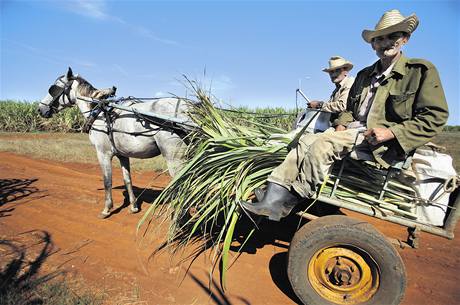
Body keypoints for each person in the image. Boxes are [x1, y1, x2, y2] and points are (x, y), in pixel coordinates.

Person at [241, 9, 449, 221]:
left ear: (404, 39)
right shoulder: (364, 75)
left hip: (378, 141)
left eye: (393, 36)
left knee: (324, 145)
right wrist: (339, 126)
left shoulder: (419, 71)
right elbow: (349, 110)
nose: (385, 43)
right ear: (373, 44)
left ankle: (290, 200)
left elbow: (435, 116)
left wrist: (392, 132)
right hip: (351, 133)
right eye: (379, 38)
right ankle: (272, 198)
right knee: (304, 142)